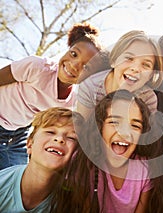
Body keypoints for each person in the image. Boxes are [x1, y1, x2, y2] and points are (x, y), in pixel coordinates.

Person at [0, 22, 110, 170]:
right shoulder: (37, 67)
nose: (74, 65)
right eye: (73, 54)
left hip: (17, 137)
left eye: (86, 67)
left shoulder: (72, 102)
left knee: (15, 179)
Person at [52, 90, 153, 213]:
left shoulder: (145, 169)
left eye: (135, 126)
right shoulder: (83, 163)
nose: (125, 132)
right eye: (114, 122)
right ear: (100, 127)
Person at [0, 107, 85, 212]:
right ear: (30, 144)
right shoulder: (3, 183)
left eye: (72, 138)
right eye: (50, 132)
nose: (59, 139)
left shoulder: (77, 202)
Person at [76, 30, 163, 120]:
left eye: (146, 65)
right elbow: (81, 128)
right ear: (114, 61)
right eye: (129, 58)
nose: (136, 68)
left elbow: (144, 132)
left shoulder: (147, 98)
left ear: (151, 75)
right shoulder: (90, 86)